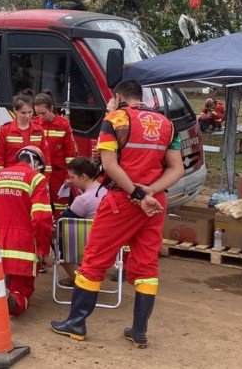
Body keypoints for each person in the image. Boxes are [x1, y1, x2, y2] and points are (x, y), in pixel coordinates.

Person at [50, 80, 184, 348]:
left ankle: (76, 323)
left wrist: (137, 195)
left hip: (123, 201)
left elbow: (109, 166)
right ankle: (139, 332)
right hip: (154, 202)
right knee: (146, 265)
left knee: (95, 260)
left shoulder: (116, 119)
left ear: (119, 96)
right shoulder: (167, 124)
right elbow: (177, 168)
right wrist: (150, 193)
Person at [0, 146, 53, 316]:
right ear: (36, 162)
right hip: (22, 245)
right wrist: (44, 250)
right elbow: (41, 218)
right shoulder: (37, 178)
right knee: (21, 292)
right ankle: (9, 299)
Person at [56, 157, 108, 286]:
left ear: (83, 176)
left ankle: (77, 277)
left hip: (86, 247)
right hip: (106, 245)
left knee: (58, 240)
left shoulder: (83, 200)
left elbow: (61, 223)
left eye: (73, 177)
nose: (70, 181)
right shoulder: (107, 191)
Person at [33, 90, 77, 210]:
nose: (41, 117)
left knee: (60, 207)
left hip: (59, 174)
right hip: (39, 174)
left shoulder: (64, 124)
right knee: (39, 207)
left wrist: (69, 175)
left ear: (51, 108)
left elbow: (70, 153)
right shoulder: (34, 124)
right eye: (38, 113)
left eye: (43, 113)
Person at [0, 90, 51, 174]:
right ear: (15, 111)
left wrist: (45, 180)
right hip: (11, 177)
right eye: (23, 113)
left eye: (30, 112)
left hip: (33, 177)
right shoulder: (4, 130)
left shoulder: (39, 130)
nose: (27, 116)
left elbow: (45, 157)